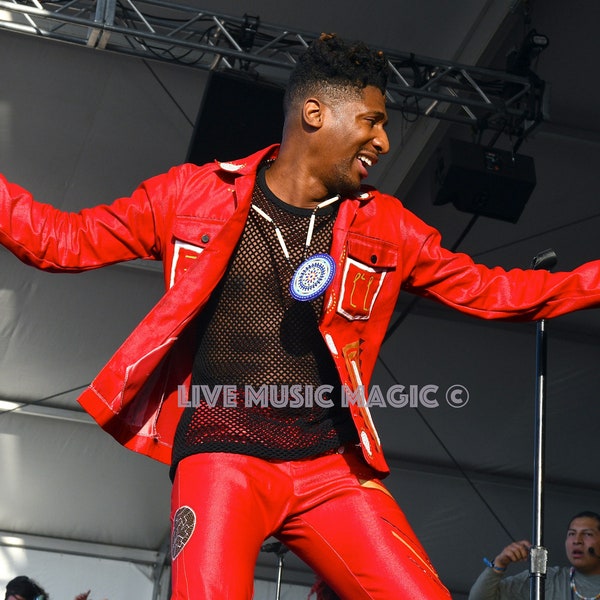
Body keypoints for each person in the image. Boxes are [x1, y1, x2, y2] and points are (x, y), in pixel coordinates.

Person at [2, 32, 600, 600]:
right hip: (221, 452)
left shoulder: (384, 226)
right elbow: (61, 241)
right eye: (373, 122)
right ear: (316, 114)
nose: (384, 143)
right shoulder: (192, 196)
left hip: (330, 467)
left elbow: (495, 291)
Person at [469, 511, 600, 599]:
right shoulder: (547, 580)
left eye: (587, 534)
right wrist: (499, 564)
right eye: (571, 534)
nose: (577, 540)